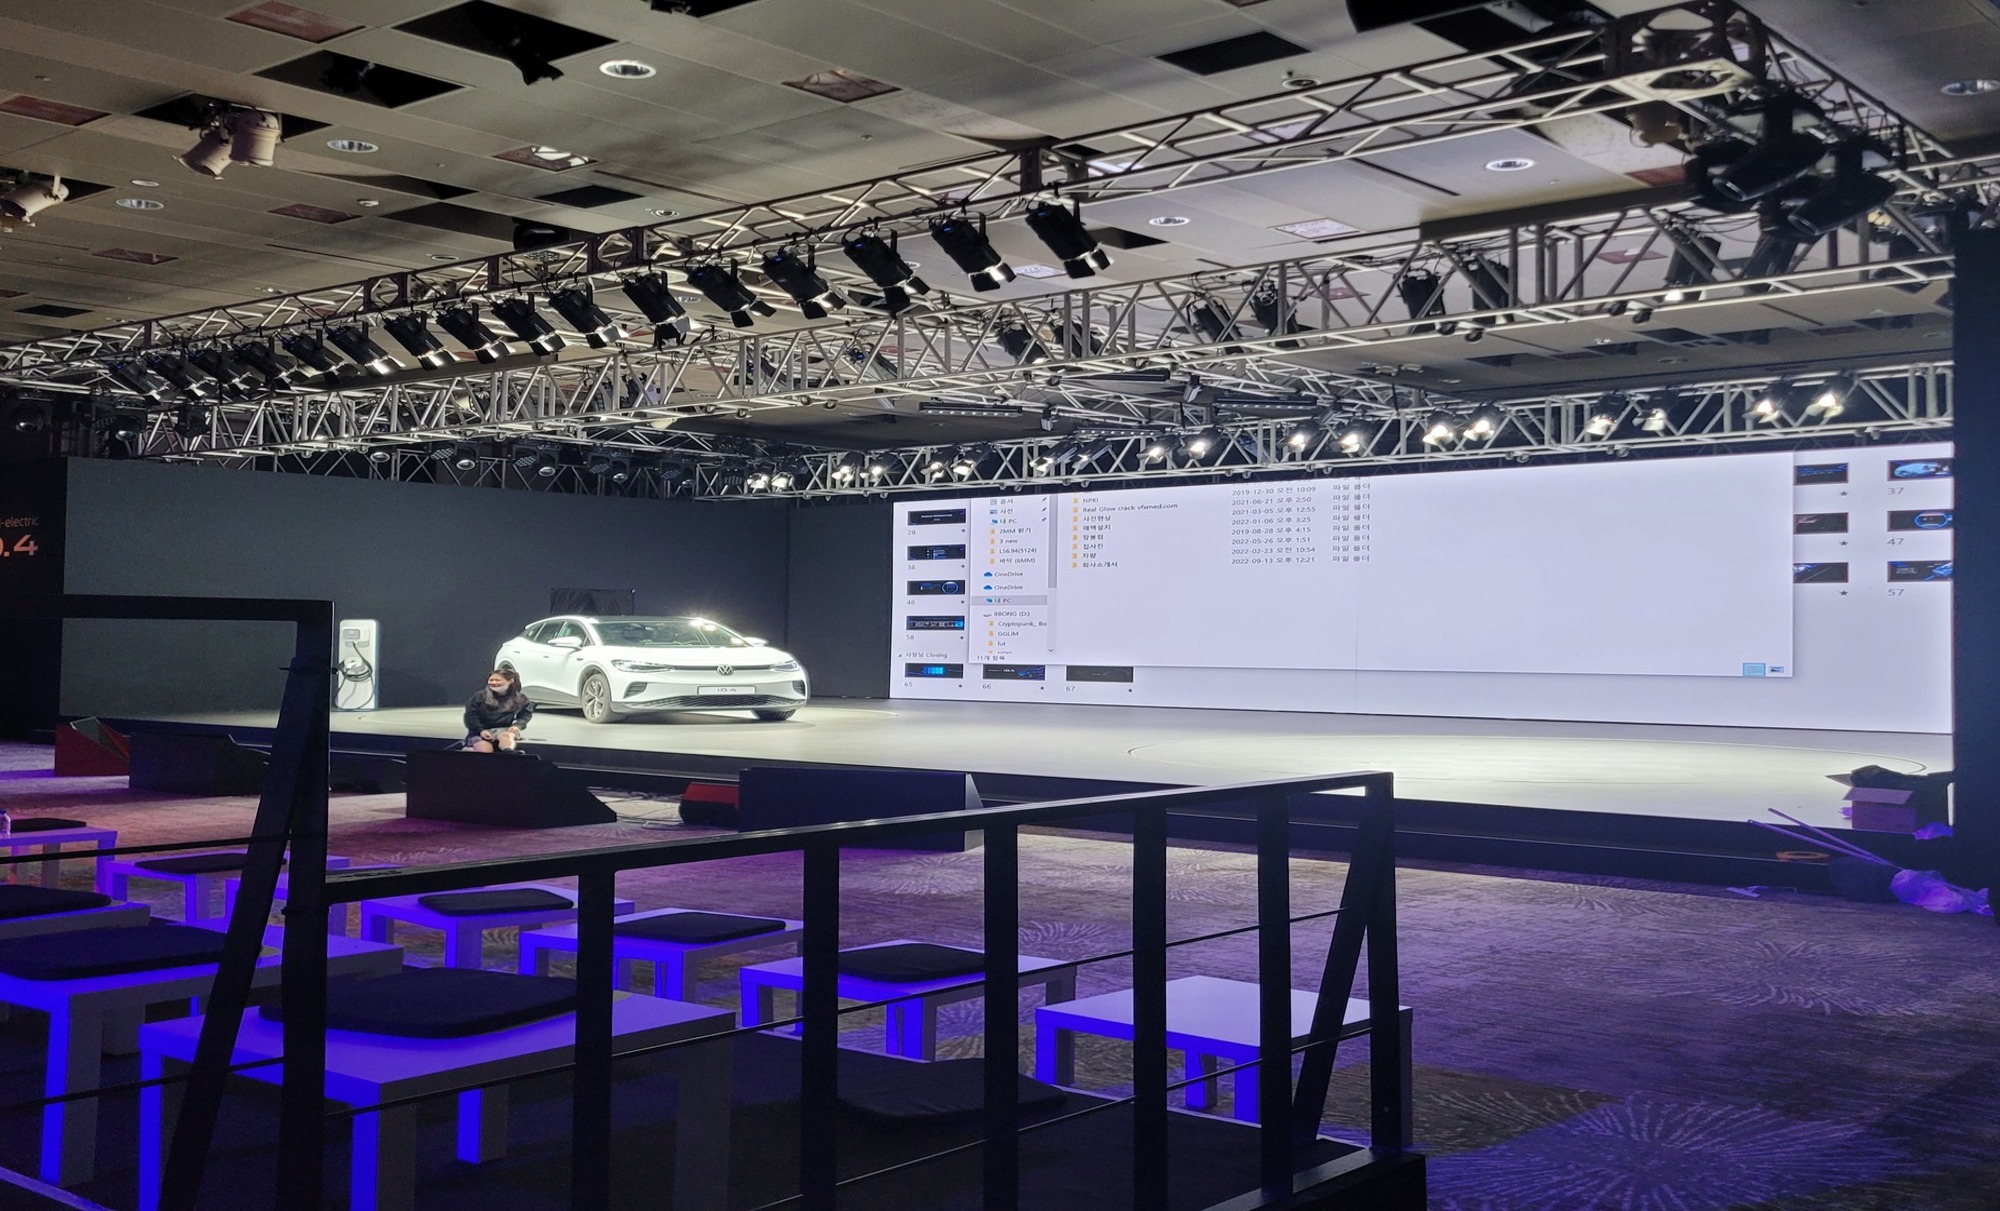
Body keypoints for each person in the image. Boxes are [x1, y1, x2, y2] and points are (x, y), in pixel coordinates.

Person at [463, 668, 534, 752]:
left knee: (507, 737)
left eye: (497, 680)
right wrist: (480, 730)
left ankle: (508, 752)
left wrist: (517, 726)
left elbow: (525, 714)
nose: (493, 682)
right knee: (485, 751)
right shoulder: (479, 696)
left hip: (504, 730)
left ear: (511, 681)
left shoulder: (519, 698)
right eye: (491, 680)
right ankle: (468, 750)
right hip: (480, 731)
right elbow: (470, 715)